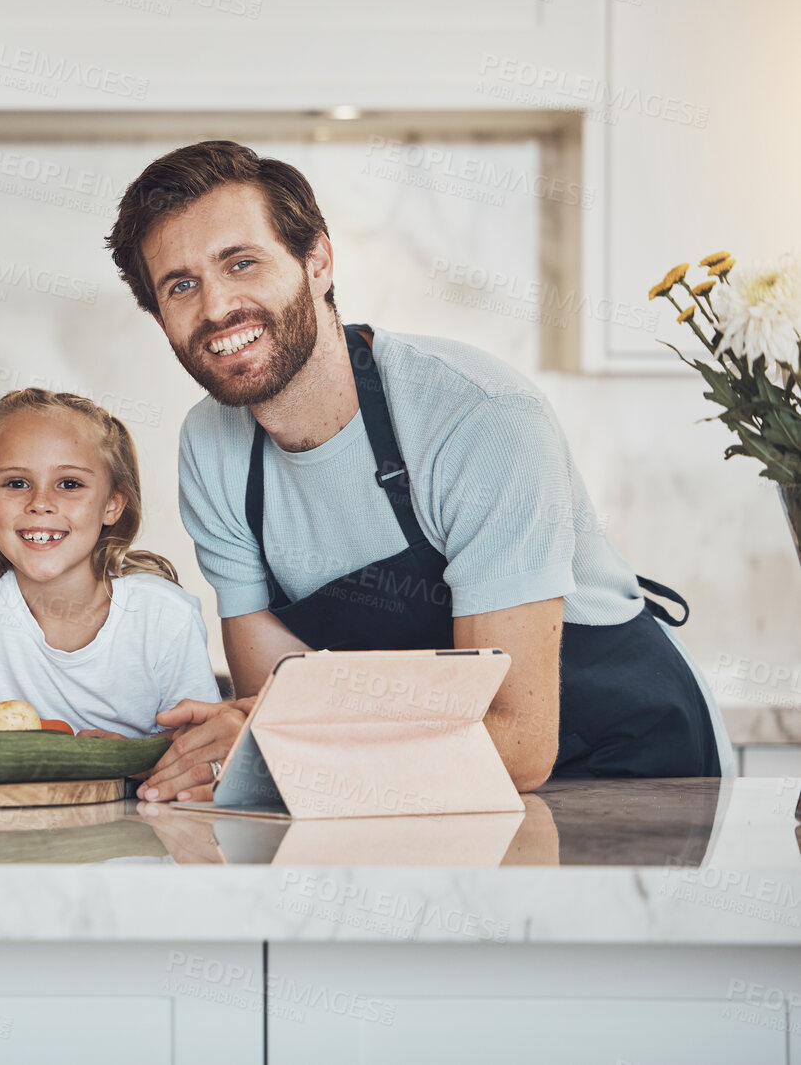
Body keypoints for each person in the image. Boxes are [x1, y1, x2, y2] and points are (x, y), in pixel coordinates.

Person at [102, 140, 727, 801]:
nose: (216, 307)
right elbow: (274, 699)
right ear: (157, 315)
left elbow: (515, 743)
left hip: (629, 764)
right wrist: (256, 730)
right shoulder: (211, 446)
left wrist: (281, 732)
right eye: (180, 284)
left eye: (241, 262)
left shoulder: (478, 417)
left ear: (316, 261)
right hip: (424, 780)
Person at [0, 389, 220, 738]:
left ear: (113, 504)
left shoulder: (165, 615)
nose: (41, 503)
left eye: (69, 484)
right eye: (16, 483)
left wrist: (129, 759)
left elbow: (201, 740)